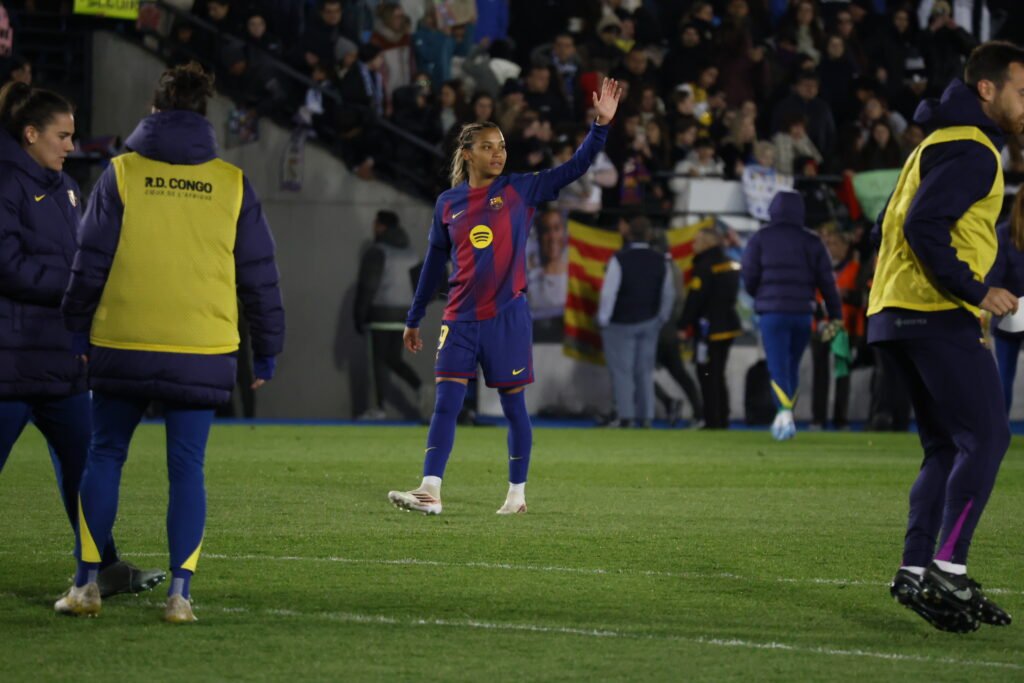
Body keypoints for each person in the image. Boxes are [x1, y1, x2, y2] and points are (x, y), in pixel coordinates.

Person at [56, 63, 285, 623]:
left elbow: (89, 261)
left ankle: (86, 586)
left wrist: (74, 326)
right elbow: (260, 276)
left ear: (154, 110)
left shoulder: (121, 173)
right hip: (202, 344)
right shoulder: (232, 182)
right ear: (203, 114)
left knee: (105, 454)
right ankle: (180, 596)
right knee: (187, 468)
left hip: (123, 337)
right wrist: (268, 348)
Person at [388, 78, 622, 516]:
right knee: (446, 404)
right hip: (459, 318)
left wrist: (601, 127)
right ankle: (430, 489)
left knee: (513, 407)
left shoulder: (519, 189)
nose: (498, 153)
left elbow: (575, 167)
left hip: (506, 316)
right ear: (467, 154)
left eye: (502, 146)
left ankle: (516, 495)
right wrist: (414, 317)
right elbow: (434, 264)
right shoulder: (448, 204)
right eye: (488, 147)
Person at [871, 42, 1022, 633]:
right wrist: (974, 289)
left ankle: (914, 569)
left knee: (946, 446)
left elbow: (892, 222)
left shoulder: (936, 140)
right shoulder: (975, 148)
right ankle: (948, 567)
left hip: (895, 310)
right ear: (987, 88)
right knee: (988, 437)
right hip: (934, 309)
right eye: (1021, 91)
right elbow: (923, 223)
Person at [0, 82, 165, 601]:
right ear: (30, 134)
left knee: (86, 470)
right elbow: (7, 266)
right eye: (62, 136)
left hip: (62, 362)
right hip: (10, 361)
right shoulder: (5, 183)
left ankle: (103, 566)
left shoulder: (68, 187)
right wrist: (76, 282)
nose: (72, 146)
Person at [740, 191, 842, 441]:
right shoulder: (812, 241)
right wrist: (836, 315)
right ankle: (786, 416)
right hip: (802, 313)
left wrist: (761, 295)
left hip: (772, 313)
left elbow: (748, 276)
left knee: (777, 365)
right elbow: (828, 283)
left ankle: (784, 415)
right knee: (792, 366)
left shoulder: (760, 238)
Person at [598, 216, 675, 428]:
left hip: (620, 323)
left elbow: (609, 293)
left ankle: (626, 416)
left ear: (630, 234)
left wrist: (603, 319)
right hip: (649, 321)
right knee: (644, 371)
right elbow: (668, 293)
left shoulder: (619, 259)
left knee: (622, 372)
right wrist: (661, 318)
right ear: (649, 235)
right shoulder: (661, 261)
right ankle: (646, 416)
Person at [354, 210, 426, 420]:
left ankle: (378, 408)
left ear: (381, 226)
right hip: (405, 316)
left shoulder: (377, 252)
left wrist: (359, 316)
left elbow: (368, 286)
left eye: (375, 223)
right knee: (393, 358)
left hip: (381, 315)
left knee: (376, 362)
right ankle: (420, 386)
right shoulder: (411, 253)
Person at [678, 228, 741, 430]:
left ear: (706, 242)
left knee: (707, 374)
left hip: (709, 329)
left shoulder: (704, 266)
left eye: (697, 240)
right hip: (728, 325)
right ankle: (722, 416)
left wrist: (683, 324)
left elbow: (696, 299)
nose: (693, 244)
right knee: (718, 373)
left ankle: (712, 419)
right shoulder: (729, 262)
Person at [986, 190, 1024, 413]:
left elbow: (993, 279)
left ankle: (999, 429)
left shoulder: (1002, 233)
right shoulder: (1003, 234)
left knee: (1003, 378)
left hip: (1006, 313)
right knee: (1002, 381)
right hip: (1009, 314)